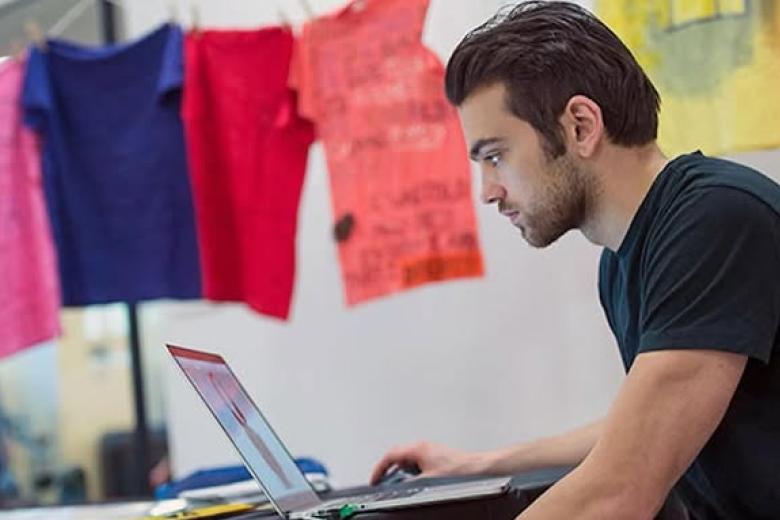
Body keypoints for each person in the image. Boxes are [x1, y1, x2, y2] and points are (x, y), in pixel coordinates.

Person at [370, 2, 780, 519]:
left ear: (581, 126)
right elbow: (643, 430)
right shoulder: (625, 256)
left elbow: (617, 491)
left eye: (495, 156)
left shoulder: (716, 219)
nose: (488, 191)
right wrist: (479, 465)